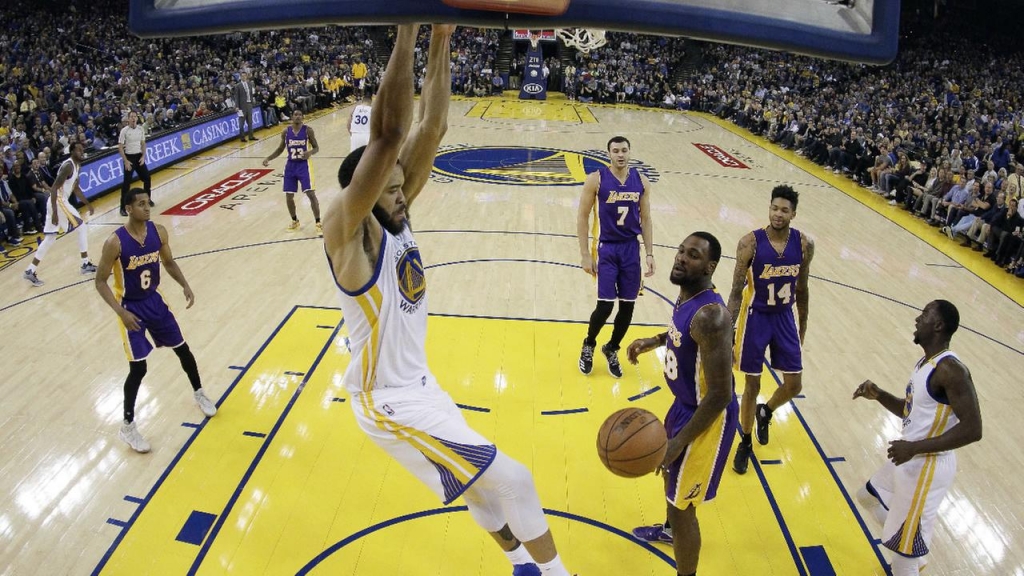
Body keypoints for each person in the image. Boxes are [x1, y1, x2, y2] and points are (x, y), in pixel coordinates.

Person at [323, 24, 571, 576]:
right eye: (389, 187)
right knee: (516, 478)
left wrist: (441, 35)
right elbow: (387, 137)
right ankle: (558, 574)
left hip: (421, 387)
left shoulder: (394, 212)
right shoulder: (348, 231)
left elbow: (433, 124)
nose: (403, 191)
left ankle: (520, 565)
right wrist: (407, 29)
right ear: (361, 192)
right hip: (385, 402)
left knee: (479, 492)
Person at [625, 232, 738, 576]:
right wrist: (655, 341)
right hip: (684, 405)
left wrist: (678, 442)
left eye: (692, 255)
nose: (681, 258)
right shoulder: (688, 294)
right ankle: (670, 530)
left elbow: (721, 394)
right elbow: (683, 335)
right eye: (680, 251)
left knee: (683, 506)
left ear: (710, 266)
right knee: (669, 480)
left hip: (708, 417)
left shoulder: (712, 316)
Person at [854, 300, 982, 576]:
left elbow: (973, 429)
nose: (917, 319)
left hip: (928, 466)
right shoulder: (926, 362)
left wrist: (914, 448)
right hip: (912, 458)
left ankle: (910, 554)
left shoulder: (952, 370)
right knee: (867, 496)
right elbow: (910, 410)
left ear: (938, 325)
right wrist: (878, 395)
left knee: (903, 556)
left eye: (924, 315)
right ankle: (912, 545)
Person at [94, 187, 218, 453]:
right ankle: (127, 426)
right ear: (128, 209)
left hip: (155, 301)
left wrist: (185, 284)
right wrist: (121, 312)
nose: (147, 208)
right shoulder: (114, 242)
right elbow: (100, 281)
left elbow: (169, 262)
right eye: (141, 204)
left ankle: (199, 392)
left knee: (183, 349)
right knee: (138, 369)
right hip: (130, 307)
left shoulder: (159, 231)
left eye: (148, 203)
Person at [728, 185, 815, 474]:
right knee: (752, 385)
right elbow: (735, 291)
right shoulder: (749, 243)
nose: (778, 214)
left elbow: (802, 289)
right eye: (774, 208)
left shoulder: (804, 244)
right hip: (755, 317)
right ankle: (746, 441)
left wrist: (802, 326)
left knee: (794, 385)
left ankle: (767, 411)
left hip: (784, 318)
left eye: (784, 210)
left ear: (794, 214)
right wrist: (729, 329)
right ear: (769, 208)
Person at [576, 136, 655, 378]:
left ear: (630, 152)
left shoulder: (641, 181)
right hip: (607, 248)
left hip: (631, 248)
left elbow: (646, 219)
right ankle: (589, 343)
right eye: (615, 151)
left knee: (628, 306)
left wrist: (650, 253)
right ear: (608, 154)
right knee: (605, 305)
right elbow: (582, 216)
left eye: (624, 150)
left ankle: (611, 348)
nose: (620, 154)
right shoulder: (596, 179)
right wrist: (584, 255)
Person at [23, 141, 97, 287]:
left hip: (58, 202)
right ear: (72, 152)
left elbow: (76, 189)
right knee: (81, 228)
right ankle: (85, 264)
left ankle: (30, 270)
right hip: (57, 201)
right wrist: (55, 212)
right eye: (79, 150)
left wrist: (87, 204)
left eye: (82, 150)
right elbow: (55, 188)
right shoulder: (68, 166)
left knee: (50, 238)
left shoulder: (77, 165)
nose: (82, 152)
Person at [262, 109, 321, 233]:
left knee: (311, 194)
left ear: (303, 117)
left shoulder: (308, 130)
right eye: (295, 115)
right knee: (289, 196)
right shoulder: (286, 131)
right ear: (292, 117)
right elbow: (280, 149)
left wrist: (309, 152)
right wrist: (268, 158)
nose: (298, 117)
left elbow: (316, 148)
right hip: (290, 166)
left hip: (304, 165)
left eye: (300, 115)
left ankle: (318, 222)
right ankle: (295, 221)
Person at [118, 110, 152, 216]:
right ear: (128, 119)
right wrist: (126, 161)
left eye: (135, 116)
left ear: (137, 118)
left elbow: (143, 143)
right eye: (131, 117)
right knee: (126, 183)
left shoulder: (140, 129)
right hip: (129, 158)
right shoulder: (124, 131)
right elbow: (120, 147)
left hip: (138, 156)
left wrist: (143, 156)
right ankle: (122, 208)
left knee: (147, 178)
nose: (133, 118)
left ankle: (148, 200)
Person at [233, 71, 256, 142]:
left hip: (249, 104)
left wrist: (252, 101)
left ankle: (251, 136)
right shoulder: (238, 86)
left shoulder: (249, 84)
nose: (243, 77)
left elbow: (251, 94)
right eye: (242, 76)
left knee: (250, 122)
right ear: (240, 77)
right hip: (242, 106)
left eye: (245, 76)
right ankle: (242, 137)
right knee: (241, 123)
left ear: (246, 76)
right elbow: (236, 97)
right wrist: (237, 106)